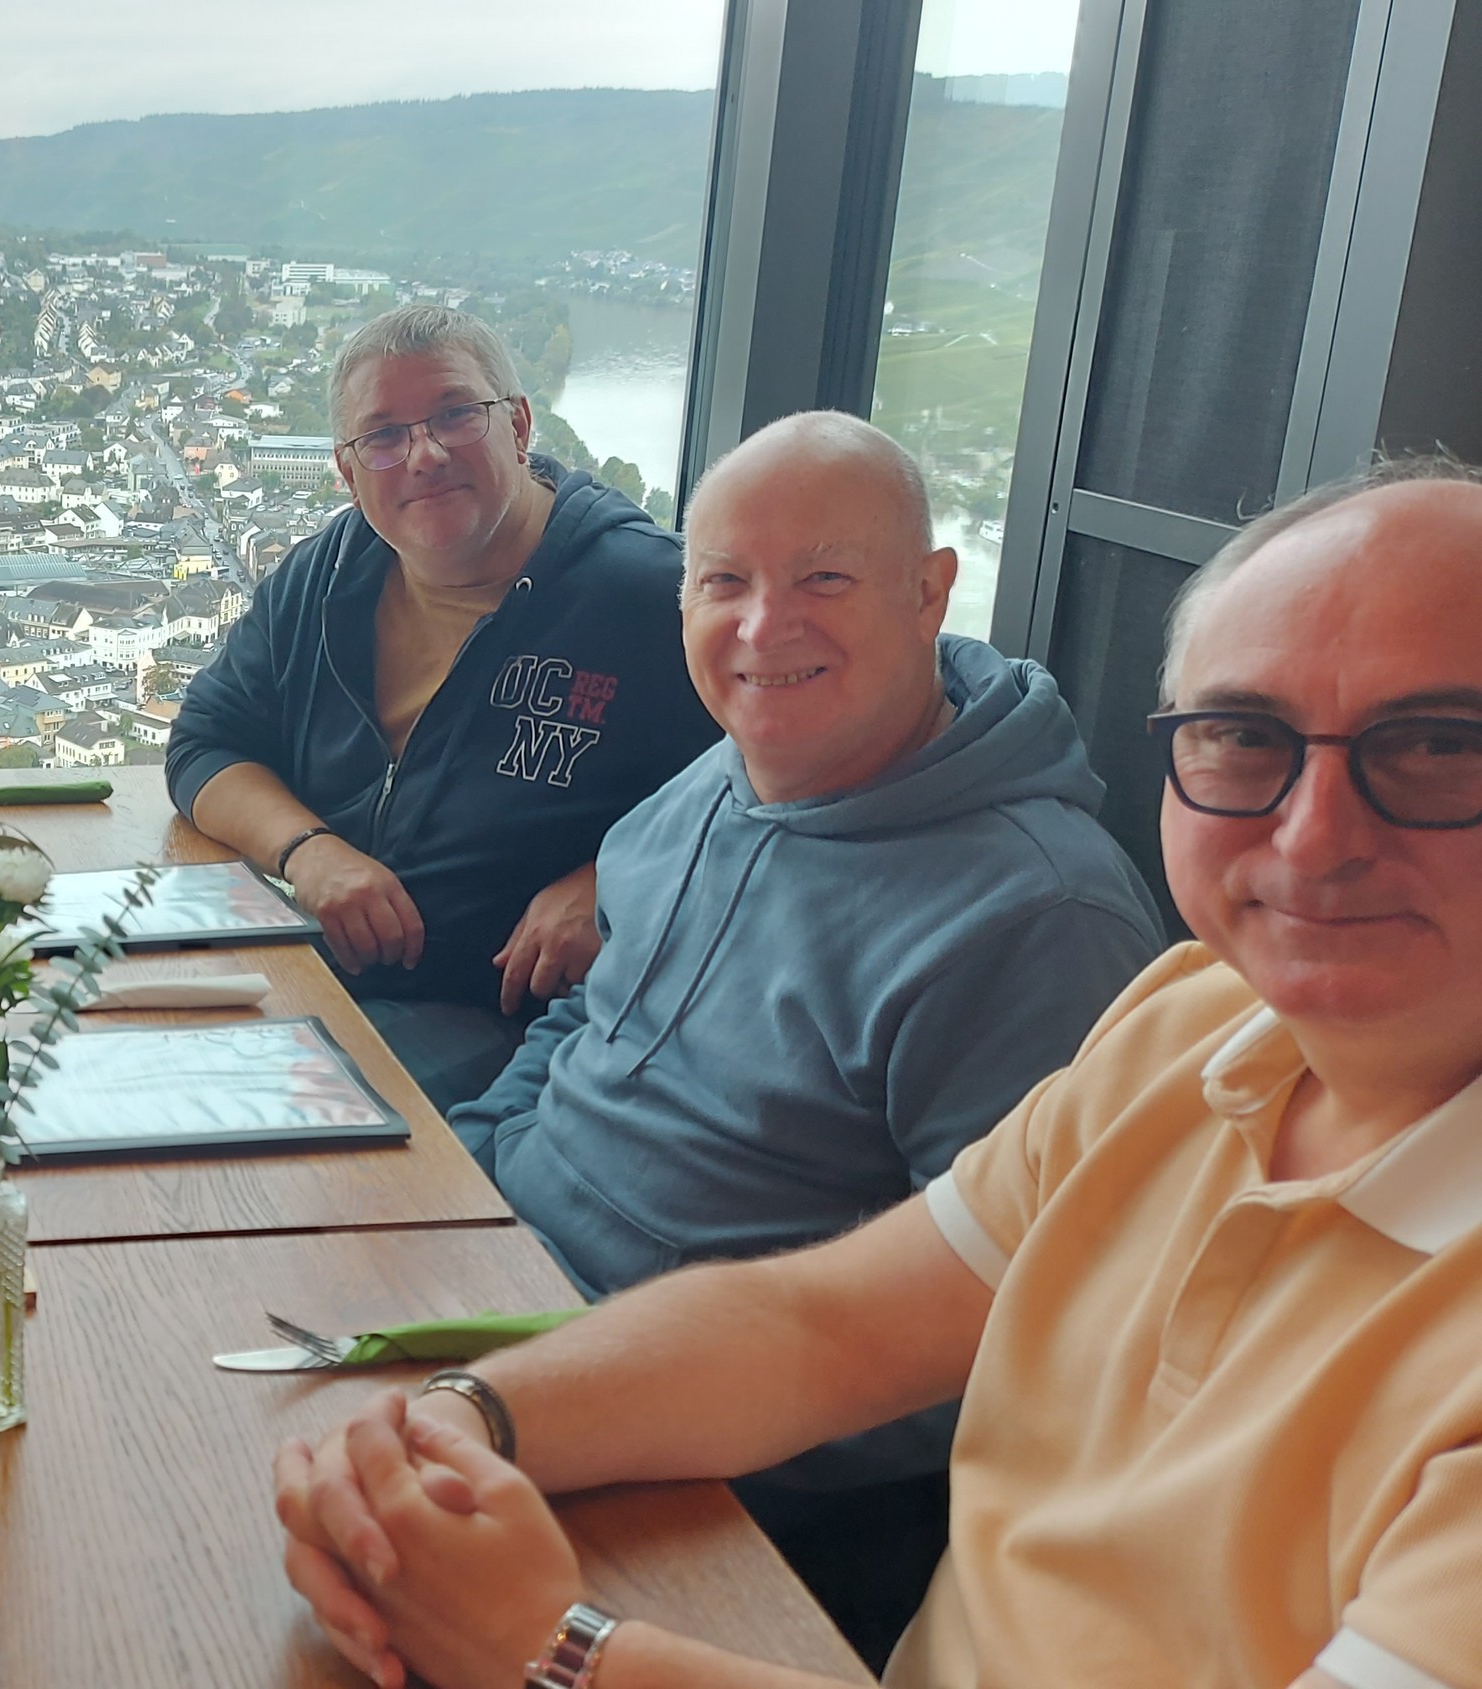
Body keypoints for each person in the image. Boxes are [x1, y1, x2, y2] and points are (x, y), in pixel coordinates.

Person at [274, 455, 1482, 1689]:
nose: (1316, 836)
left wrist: (556, 1652)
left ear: (927, 596)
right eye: (1243, 734)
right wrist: (460, 1421)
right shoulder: (1193, 1028)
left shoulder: (1045, 918)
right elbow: (822, 1328)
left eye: (1442, 746)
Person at [441, 411, 1162, 1658]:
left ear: (929, 592)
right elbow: (587, 1017)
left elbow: (1011, 1347)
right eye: (723, 582)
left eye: (824, 578)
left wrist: (626, 1411)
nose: (763, 629)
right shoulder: (724, 775)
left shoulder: (1038, 919)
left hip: (725, 1480)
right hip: (504, 1304)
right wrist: (465, 1184)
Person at [167, 305, 718, 1108]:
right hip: (308, 965)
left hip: (505, 1019)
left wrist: (616, 882)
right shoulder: (329, 574)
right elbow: (206, 742)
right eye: (383, 436)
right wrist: (311, 852)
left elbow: (785, 787)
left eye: (456, 414)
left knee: (224, 1123)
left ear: (519, 424)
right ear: (349, 473)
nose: (423, 454)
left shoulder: (646, 598)